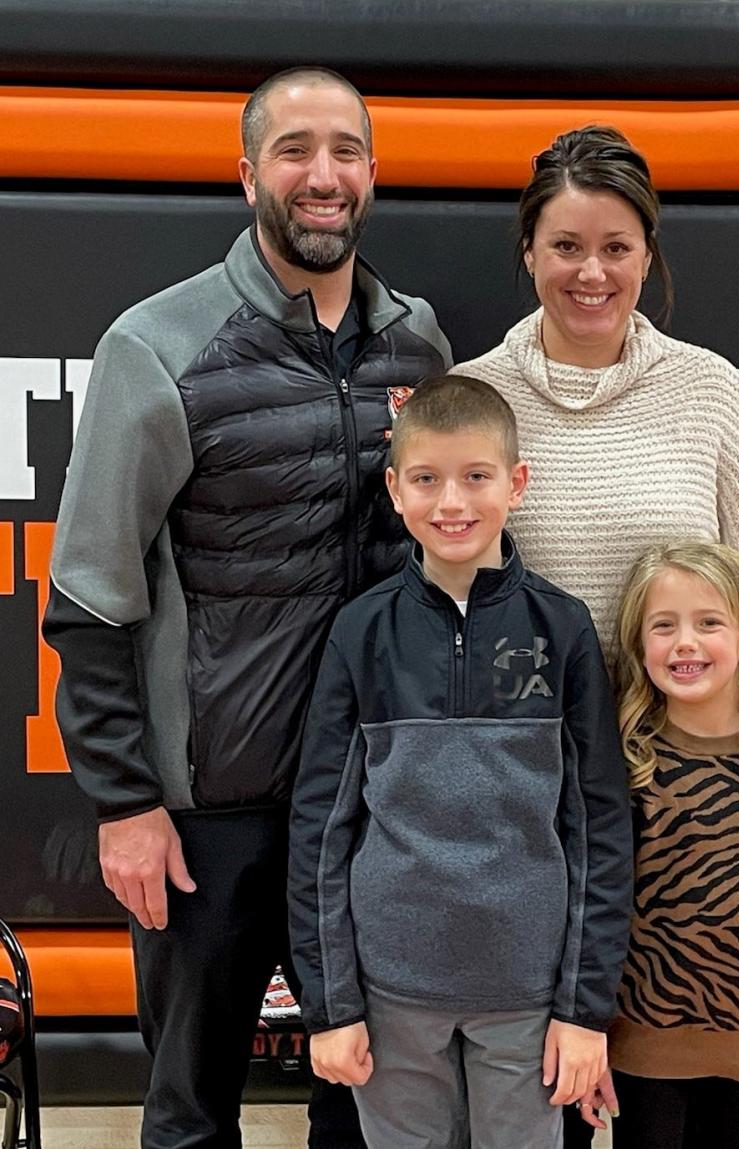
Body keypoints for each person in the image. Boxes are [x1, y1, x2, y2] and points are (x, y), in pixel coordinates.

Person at [42, 66, 451, 1149]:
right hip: (207, 812)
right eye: (295, 150)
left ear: (372, 172)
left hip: (376, 805)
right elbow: (89, 595)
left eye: (346, 151)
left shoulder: (418, 344)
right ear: (246, 175)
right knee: (190, 1113)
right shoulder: (158, 346)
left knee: (367, 1102)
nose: (324, 175)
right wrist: (126, 804)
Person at [453, 125, 739, 861]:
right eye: (566, 246)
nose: (592, 272)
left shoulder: (706, 389)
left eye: (616, 247)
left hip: (690, 791)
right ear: (529, 251)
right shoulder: (476, 400)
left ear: (647, 253)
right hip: (526, 792)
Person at [288, 375, 634, 1149]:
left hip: (527, 995)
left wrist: (584, 1009)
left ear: (516, 484)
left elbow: (600, 828)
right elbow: (319, 831)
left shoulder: (563, 628)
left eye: (476, 476)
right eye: (427, 478)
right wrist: (331, 1005)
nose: (453, 501)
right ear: (394, 488)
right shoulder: (361, 631)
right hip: (391, 997)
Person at [578, 540, 739, 1148]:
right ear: (639, 646)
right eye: (663, 626)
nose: (686, 643)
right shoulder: (626, 767)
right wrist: (591, 1032)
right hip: (641, 1047)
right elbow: (593, 907)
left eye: (709, 623)